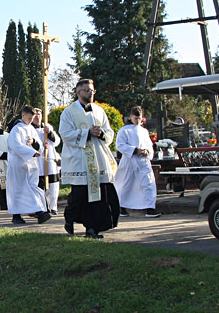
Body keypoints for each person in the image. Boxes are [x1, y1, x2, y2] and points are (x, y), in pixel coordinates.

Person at [60, 79, 120, 239]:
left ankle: (92, 229)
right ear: (79, 92)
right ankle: (69, 217)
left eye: (92, 90)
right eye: (87, 90)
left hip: (97, 159)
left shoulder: (100, 111)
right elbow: (65, 134)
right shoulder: (69, 112)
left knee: (97, 196)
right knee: (79, 195)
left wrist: (101, 133)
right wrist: (87, 133)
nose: (91, 93)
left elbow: (109, 132)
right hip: (79, 160)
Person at [7, 106, 52, 225]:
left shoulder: (31, 128)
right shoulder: (16, 129)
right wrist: (31, 152)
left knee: (33, 187)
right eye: (29, 118)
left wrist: (35, 144)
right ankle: (18, 215)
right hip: (18, 163)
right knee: (18, 189)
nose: (31, 120)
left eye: (32, 118)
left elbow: (40, 145)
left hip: (31, 164)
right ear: (23, 115)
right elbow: (16, 146)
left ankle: (41, 211)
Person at [114, 106, 161, 218]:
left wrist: (147, 151)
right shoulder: (124, 130)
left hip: (143, 161)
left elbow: (149, 145)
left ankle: (150, 208)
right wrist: (135, 150)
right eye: (135, 118)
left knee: (148, 183)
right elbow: (120, 145)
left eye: (139, 118)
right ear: (130, 117)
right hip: (130, 160)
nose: (137, 121)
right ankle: (121, 207)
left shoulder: (144, 131)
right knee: (126, 184)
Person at [32, 109, 61, 216]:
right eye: (34, 115)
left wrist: (50, 133)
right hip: (38, 160)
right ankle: (42, 207)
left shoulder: (47, 127)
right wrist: (41, 146)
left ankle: (53, 206)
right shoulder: (30, 129)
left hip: (50, 158)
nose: (37, 117)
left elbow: (57, 141)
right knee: (40, 185)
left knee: (53, 184)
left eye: (39, 114)